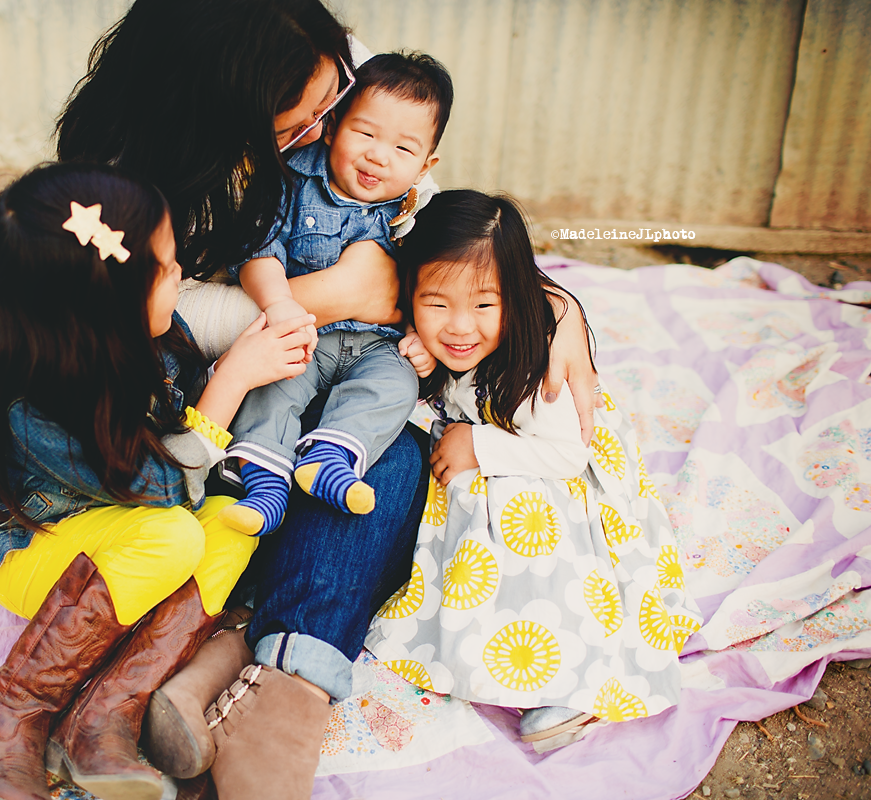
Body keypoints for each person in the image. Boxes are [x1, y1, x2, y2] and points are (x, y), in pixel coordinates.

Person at [53, 1, 599, 796]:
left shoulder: (328, 66)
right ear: (214, 120)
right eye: (292, 128)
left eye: (332, 109)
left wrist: (543, 300)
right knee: (291, 468)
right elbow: (151, 320)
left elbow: (423, 210)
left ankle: (250, 684)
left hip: (348, 367)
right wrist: (333, 295)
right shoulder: (116, 180)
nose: (326, 136)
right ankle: (250, 685)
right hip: (224, 373)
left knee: (391, 456)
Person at [0, 162, 317, 800]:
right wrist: (229, 382)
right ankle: (8, 706)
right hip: (34, 549)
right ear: (107, 309)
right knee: (172, 535)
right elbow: (162, 487)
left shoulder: (148, 339)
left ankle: (106, 710)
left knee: (233, 526)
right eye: (169, 269)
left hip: (119, 531)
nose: (183, 278)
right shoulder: (42, 409)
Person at [364, 190, 701, 748]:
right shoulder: (449, 343)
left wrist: (478, 445)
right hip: (509, 442)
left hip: (564, 466)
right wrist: (422, 359)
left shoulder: (536, 371)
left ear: (517, 299)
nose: (458, 327)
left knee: (529, 532)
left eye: (483, 305)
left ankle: (570, 682)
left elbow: (568, 455)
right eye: (436, 304)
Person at [219, 52, 453, 538]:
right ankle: (265, 485)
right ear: (330, 127)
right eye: (365, 133)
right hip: (310, 334)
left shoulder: (417, 214)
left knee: (398, 386)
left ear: (426, 164)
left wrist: (417, 335)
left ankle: (331, 459)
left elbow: (431, 282)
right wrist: (280, 304)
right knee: (272, 386)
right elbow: (258, 249)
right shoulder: (291, 181)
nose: (378, 155)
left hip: (377, 345)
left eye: (403, 149)